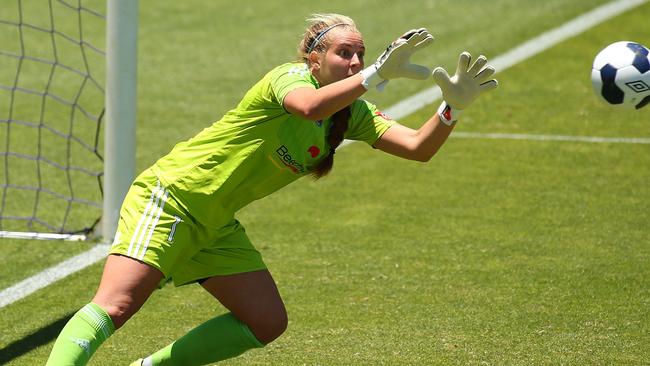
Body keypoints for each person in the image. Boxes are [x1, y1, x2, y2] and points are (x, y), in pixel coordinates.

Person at [46, 13, 497, 366]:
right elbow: (305, 108)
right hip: (174, 197)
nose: (355, 62)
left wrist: (450, 109)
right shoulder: (289, 78)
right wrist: (376, 73)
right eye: (345, 53)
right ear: (313, 58)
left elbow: (418, 148)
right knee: (117, 305)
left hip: (216, 222)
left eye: (361, 54)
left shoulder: (352, 113)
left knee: (265, 321)